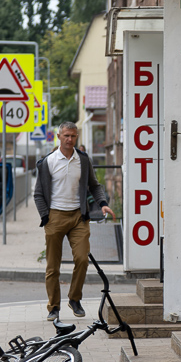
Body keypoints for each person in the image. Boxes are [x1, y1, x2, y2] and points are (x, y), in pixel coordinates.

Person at [34, 122, 115, 321]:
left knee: (82, 258)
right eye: (66, 136)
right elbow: (38, 194)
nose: (69, 139)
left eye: (73, 136)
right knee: (53, 266)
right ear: (59, 137)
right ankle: (54, 307)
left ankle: (74, 299)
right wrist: (45, 217)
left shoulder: (83, 160)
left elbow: (94, 185)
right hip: (55, 216)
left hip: (79, 217)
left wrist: (103, 203)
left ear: (76, 137)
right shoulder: (48, 162)